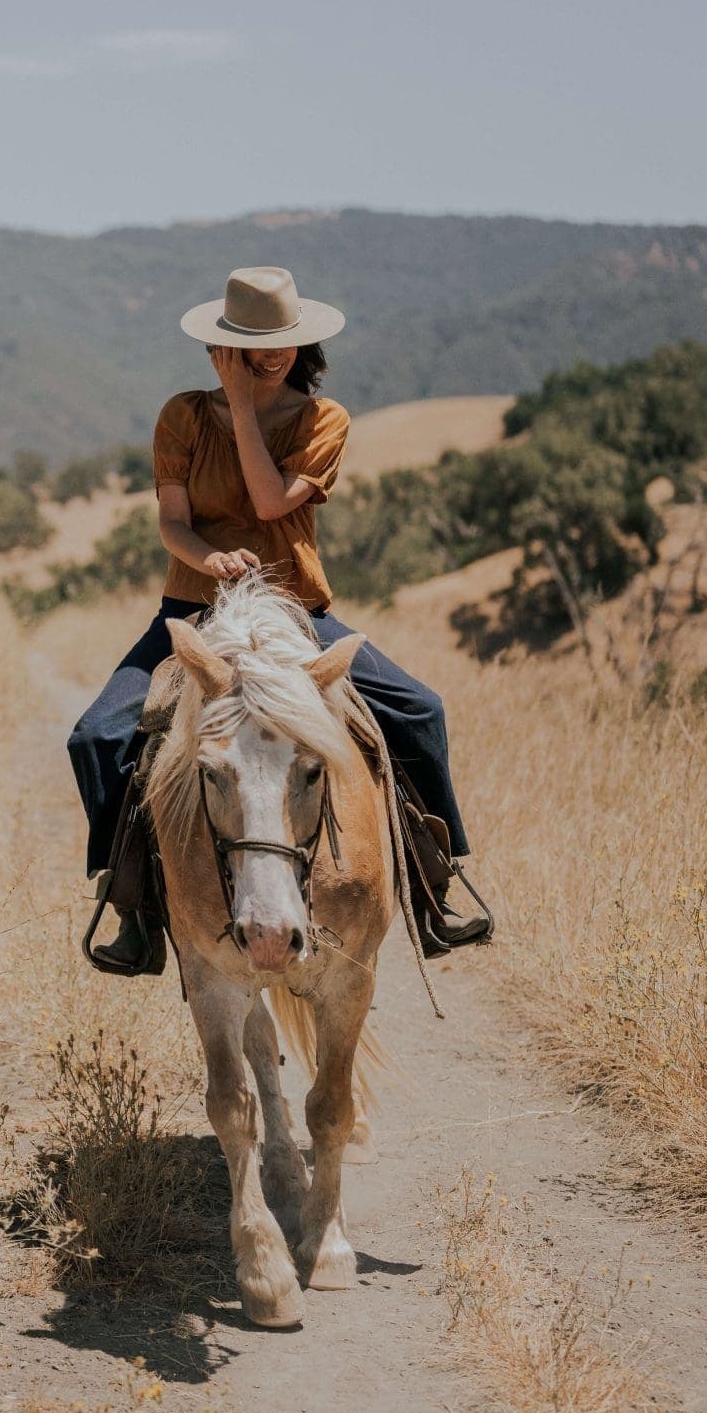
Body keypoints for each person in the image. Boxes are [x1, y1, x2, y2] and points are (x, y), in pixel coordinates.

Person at [68, 265, 492, 970]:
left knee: (420, 711)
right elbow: (174, 524)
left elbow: (270, 503)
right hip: (193, 608)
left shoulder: (324, 420)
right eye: (252, 343)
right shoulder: (180, 416)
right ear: (223, 342)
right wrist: (208, 560)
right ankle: (135, 908)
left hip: (297, 612)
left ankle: (432, 891)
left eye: (283, 341)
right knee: (96, 735)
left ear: (303, 342)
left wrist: (239, 401)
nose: (270, 354)